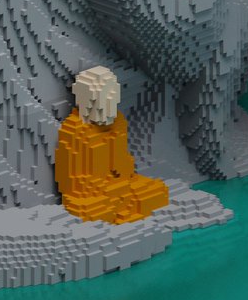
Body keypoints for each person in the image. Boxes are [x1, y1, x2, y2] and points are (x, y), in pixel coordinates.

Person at [55, 67, 169, 224]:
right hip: (91, 191)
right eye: (102, 99)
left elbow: (123, 159)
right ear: (86, 100)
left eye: (112, 98)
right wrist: (96, 186)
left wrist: (124, 170)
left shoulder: (118, 121)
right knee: (97, 209)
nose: (108, 106)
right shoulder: (74, 129)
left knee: (154, 190)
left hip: (121, 182)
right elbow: (71, 177)